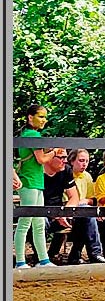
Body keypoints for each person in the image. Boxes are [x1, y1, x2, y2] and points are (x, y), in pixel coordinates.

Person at [13, 105, 59, 268]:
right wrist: (55, 152)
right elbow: (42, 159)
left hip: (34, 181)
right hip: (30, 182)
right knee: (26, 221)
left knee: (38, 221)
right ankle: (20, 261)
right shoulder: (33, 134)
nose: (44, 120)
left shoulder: (28, 134)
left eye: (45, 116)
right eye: (40, 116)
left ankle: (43, 260)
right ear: (30, 117)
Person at [66, 148, 105, 264]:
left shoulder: (87, 176)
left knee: (89, 216)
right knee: (87, 215)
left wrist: (84, 201)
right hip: (67, 213)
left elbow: (93, 199)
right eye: (81, 160)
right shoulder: (65, 174)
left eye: (86, 161)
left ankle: (77, 255)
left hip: (83, 210)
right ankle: (95, 253)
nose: (84, 164)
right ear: (71, 161)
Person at [42, 148, 79, 264]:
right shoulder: (37, 173)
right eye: (61, 158)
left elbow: (74, 196)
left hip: (59, 210)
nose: (65, 161)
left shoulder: (66, 170)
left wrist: (65, 213)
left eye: (66, 157)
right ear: (48, 158)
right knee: (40, 222)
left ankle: (79, 256)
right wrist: (55, 216)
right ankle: (41, 256)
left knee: (85, 218)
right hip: (40, 210)